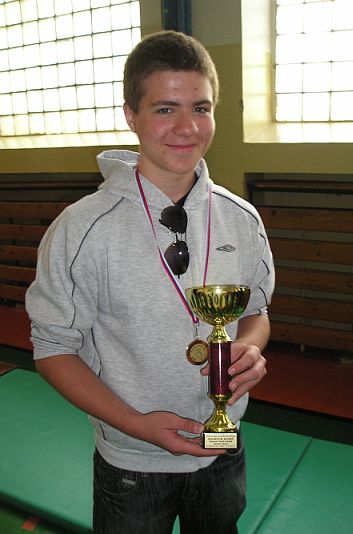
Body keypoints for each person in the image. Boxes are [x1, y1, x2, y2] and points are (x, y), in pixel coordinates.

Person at [25, 30, 275, 534]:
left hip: (222, 449)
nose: (187, 127)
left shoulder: (241, 218)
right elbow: (53, 349)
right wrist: (135, 424)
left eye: (201, 108)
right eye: (165, 109)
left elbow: (256, 313)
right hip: (132, 462)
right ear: (130, 115)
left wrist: (249, 348)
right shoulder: (82, 228)